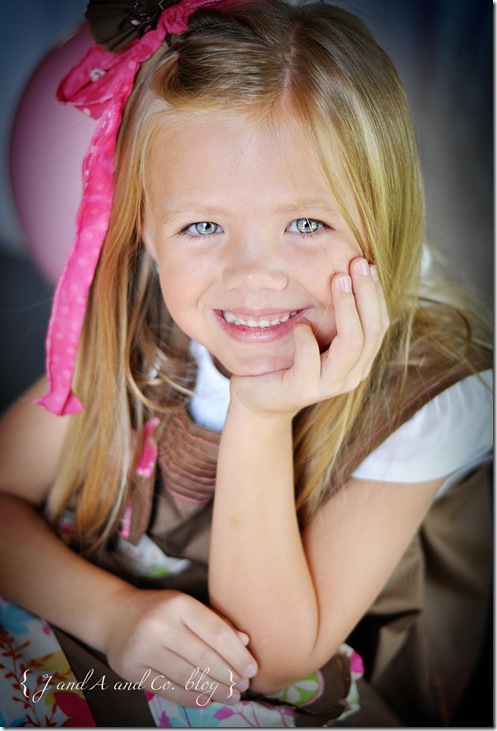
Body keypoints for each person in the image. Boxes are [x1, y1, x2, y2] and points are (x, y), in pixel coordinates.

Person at [0, 0, 492, 727]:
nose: (254, 274)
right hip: (115, 636)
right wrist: (112, 613)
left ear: (382, 220)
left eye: (306, 223)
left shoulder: (429, 393)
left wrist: (260, 412)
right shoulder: (145, 319)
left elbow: (271, 655)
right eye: (203, 225)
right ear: (147, 231)